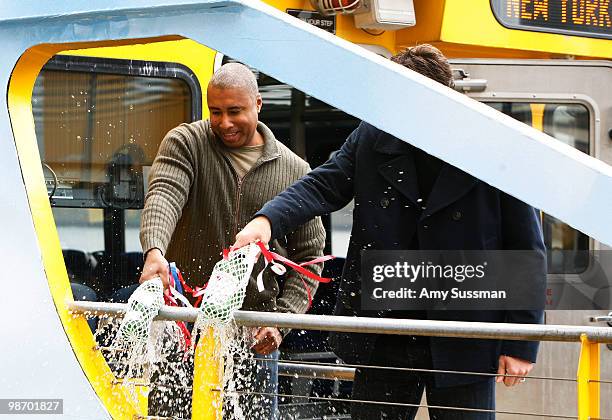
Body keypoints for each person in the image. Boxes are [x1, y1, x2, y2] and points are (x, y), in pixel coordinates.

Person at [233, 44, 546, 419]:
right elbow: (322, 185)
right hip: (386, 331)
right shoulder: (373, 137)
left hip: (464, 329)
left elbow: (526, 245)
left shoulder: (492, 145)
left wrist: (521, 342)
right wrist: (266, 221)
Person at [138, 62, 326, 419]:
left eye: (235, 111)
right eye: (216, 112)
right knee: (168, 414)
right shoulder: (186, 142)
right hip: (183, 321)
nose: (224, 123)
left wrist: (281, 321)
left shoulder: (296, 171)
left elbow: (309, 260)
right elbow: (164, 194)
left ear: (258, 104)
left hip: (253, 331)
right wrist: (154, 249)